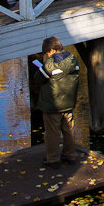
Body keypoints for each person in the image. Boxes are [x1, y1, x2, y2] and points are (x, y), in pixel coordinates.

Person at [33, 36, 80, 168]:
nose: (46, 55)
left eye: (46, 53)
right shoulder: (72, 57)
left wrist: (43, 63)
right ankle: (70, 155)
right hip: (68, 102)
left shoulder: (51, 63)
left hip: (52, 104)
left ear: (52, 50)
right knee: (69, 130)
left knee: (52, 133)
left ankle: (52, 159)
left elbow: (38, 78)